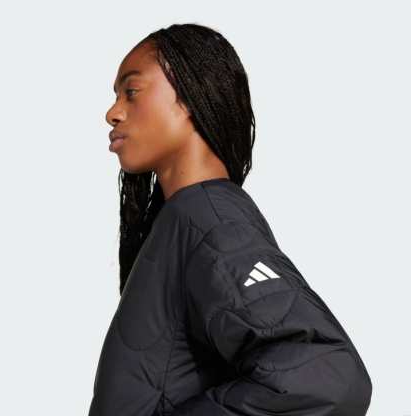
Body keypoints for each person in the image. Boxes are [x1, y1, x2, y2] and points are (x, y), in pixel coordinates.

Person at [88, 23, 372, 416]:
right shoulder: (186, 220)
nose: (113, 113)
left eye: (131, 92)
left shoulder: (210, 220)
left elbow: (325, 379)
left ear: (190, 97)